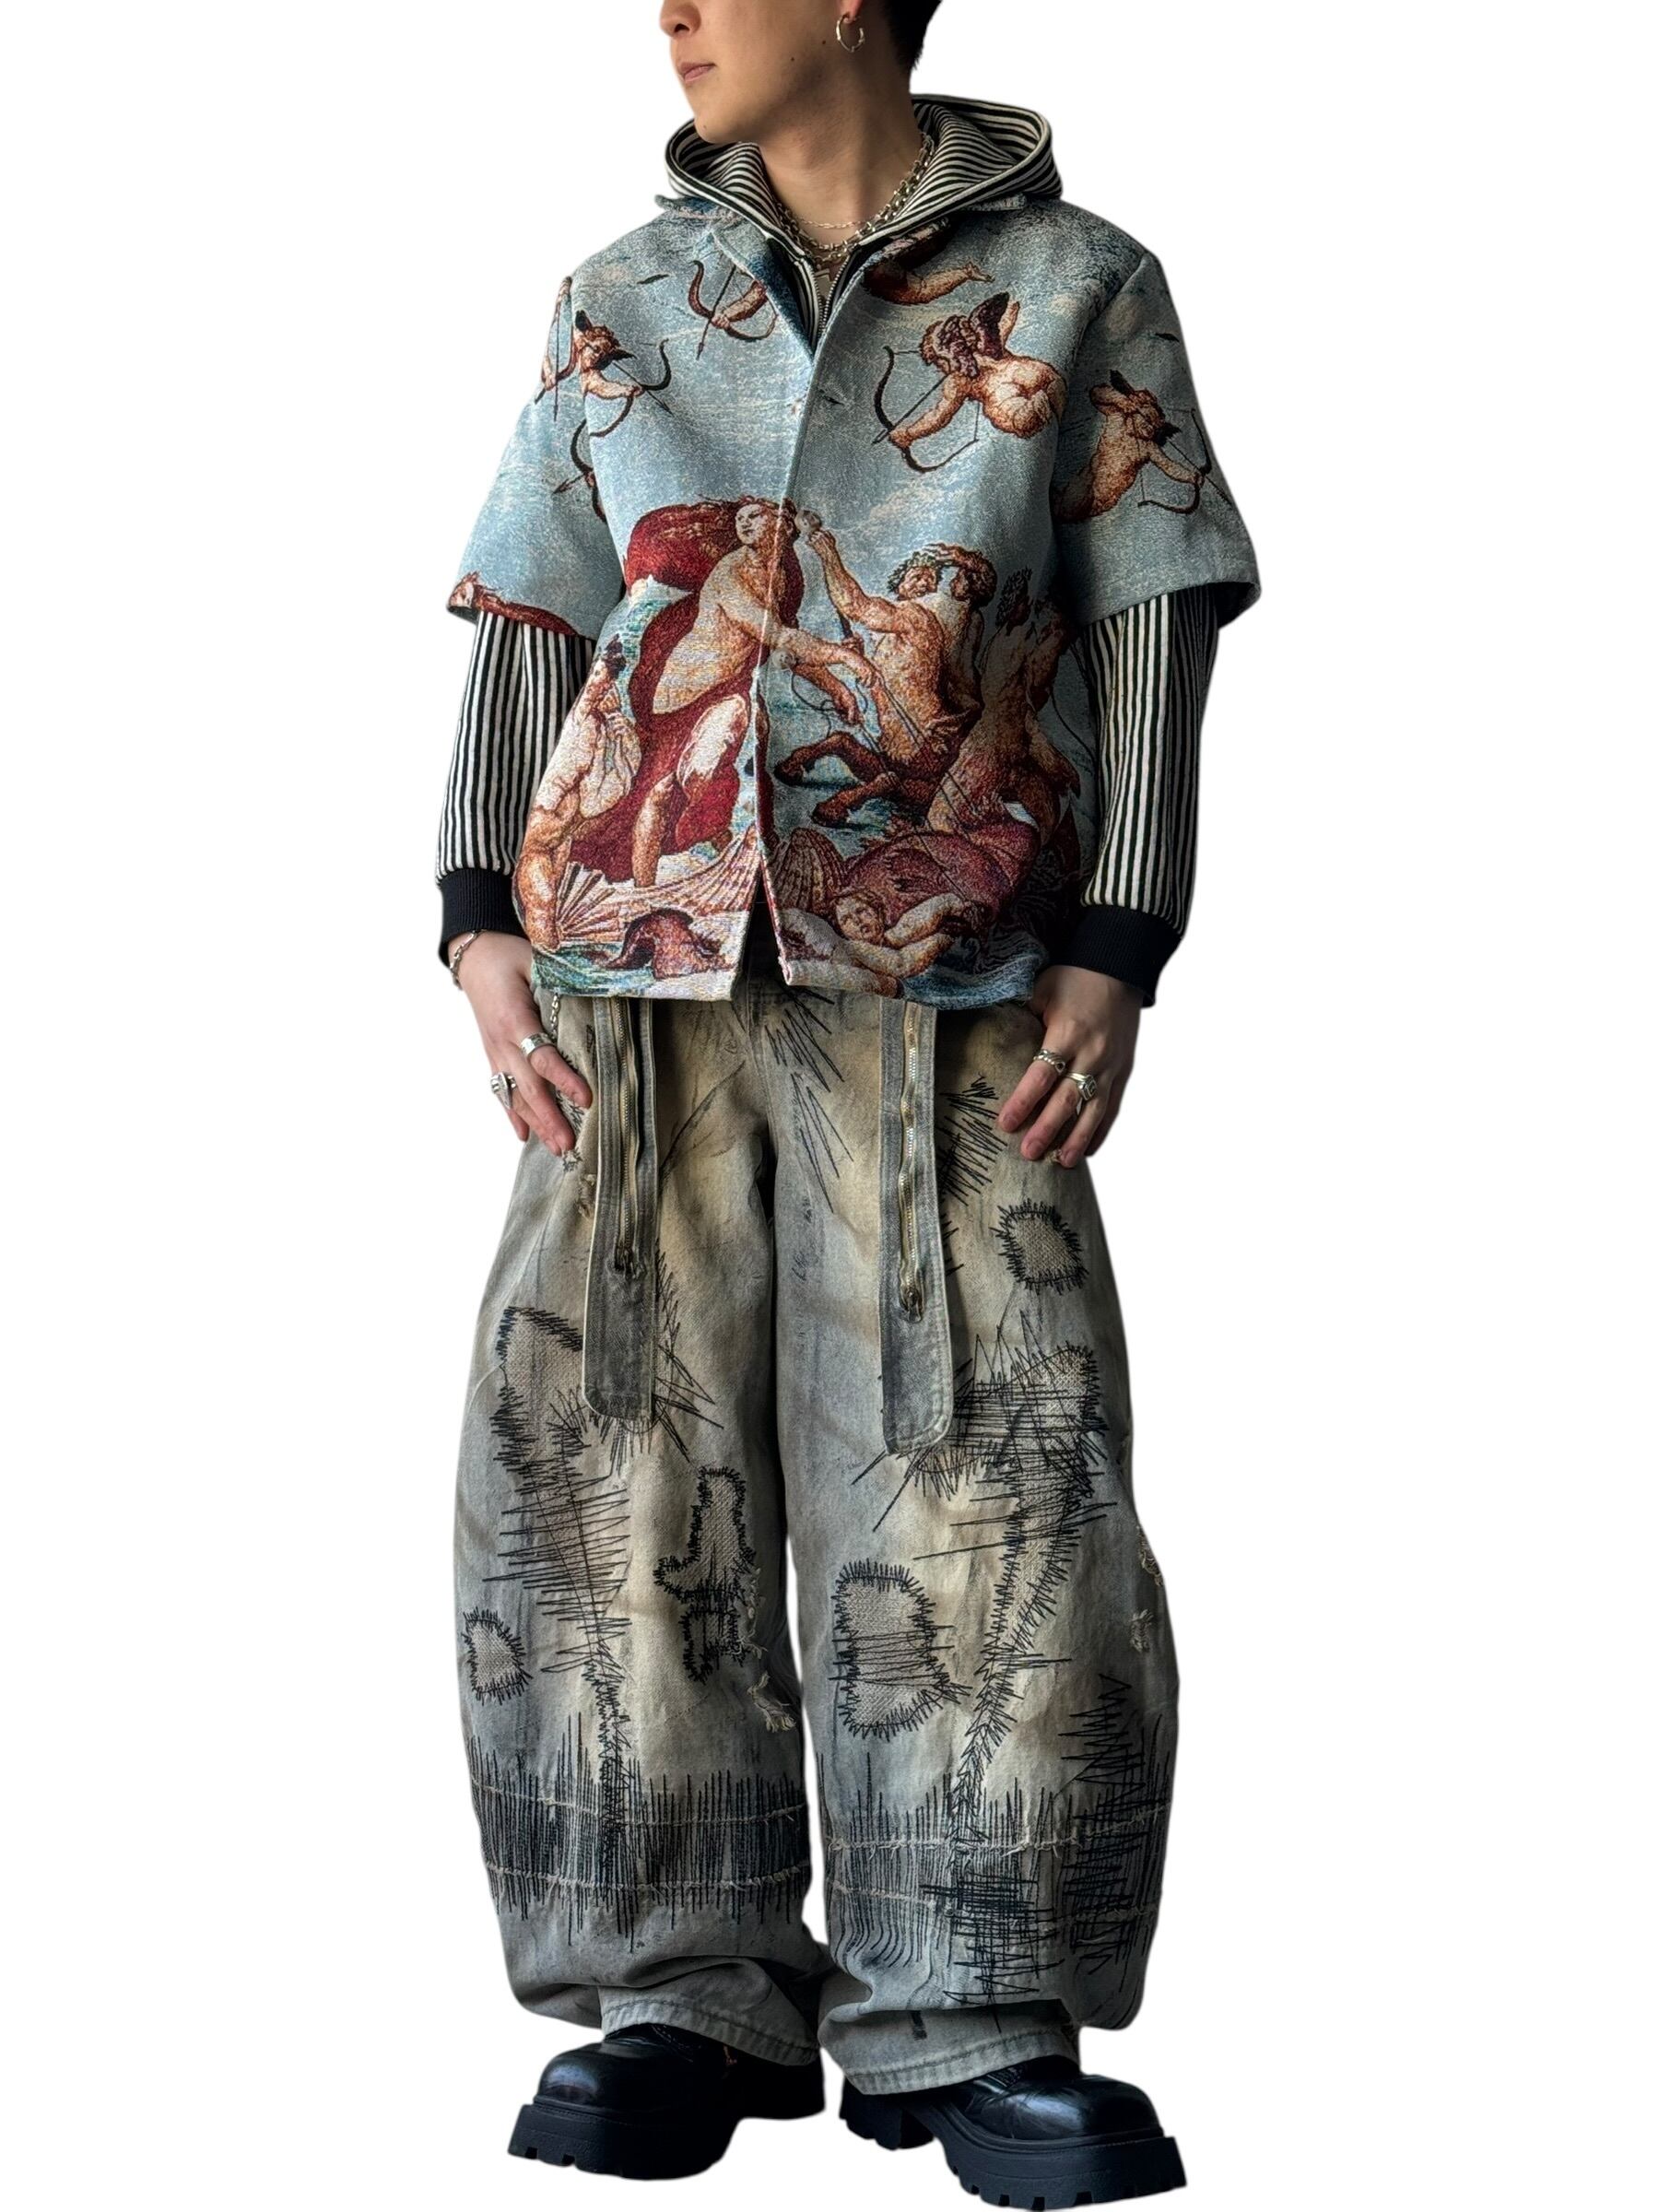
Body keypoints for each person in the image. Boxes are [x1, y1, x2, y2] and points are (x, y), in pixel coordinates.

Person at [435, 4, 1261, 2201]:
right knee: (608, 1456)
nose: (673, 11)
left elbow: (1152, 618)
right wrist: (473, 912)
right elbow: (533, 609)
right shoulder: (625, 293)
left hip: (957, 959)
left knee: (993, 1459)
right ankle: (675, 1986)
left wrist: (1123, 937)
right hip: (630, 970)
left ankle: (973, 1999)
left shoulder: (1075, 285)